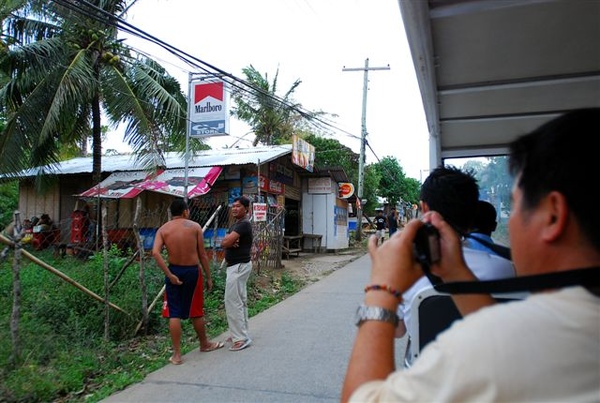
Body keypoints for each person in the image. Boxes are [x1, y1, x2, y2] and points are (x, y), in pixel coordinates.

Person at [342, 108, 600, 402]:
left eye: (515, 205)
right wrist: (456, 274)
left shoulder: (478, 349)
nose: (511, 220)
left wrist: (381, 288)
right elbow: (509, 346)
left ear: (553, 215)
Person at [397, 166, 515, 342]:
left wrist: (379, 287)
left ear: (424, 207)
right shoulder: (506, 269)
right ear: (472, 213)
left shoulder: (405, 272)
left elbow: (397, 331)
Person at [152, 198, 224, 365]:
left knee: (174, 313)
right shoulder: (194, 227)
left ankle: (177, 355)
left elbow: (155, 253)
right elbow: (203, 255)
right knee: (196, 310)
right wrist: (209, 277)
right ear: (185, 211)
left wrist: (169, 275)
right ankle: (204, 344)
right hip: (192, 271)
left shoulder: (163, 229)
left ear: (172, 213)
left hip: (174, 271)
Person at [221, 196, 254, 351]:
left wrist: (228, 241)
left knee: (232, 301)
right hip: (238, 266)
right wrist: (229, 240)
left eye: (238, 206)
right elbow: (227, 241)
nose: (234, 208)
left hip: (238, 266)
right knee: (240, 300)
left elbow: (225, 242)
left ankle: (240, 338)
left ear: (246, 209)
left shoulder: (243, 225)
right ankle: (240, 332)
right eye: (233, 206)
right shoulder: (237, 224)